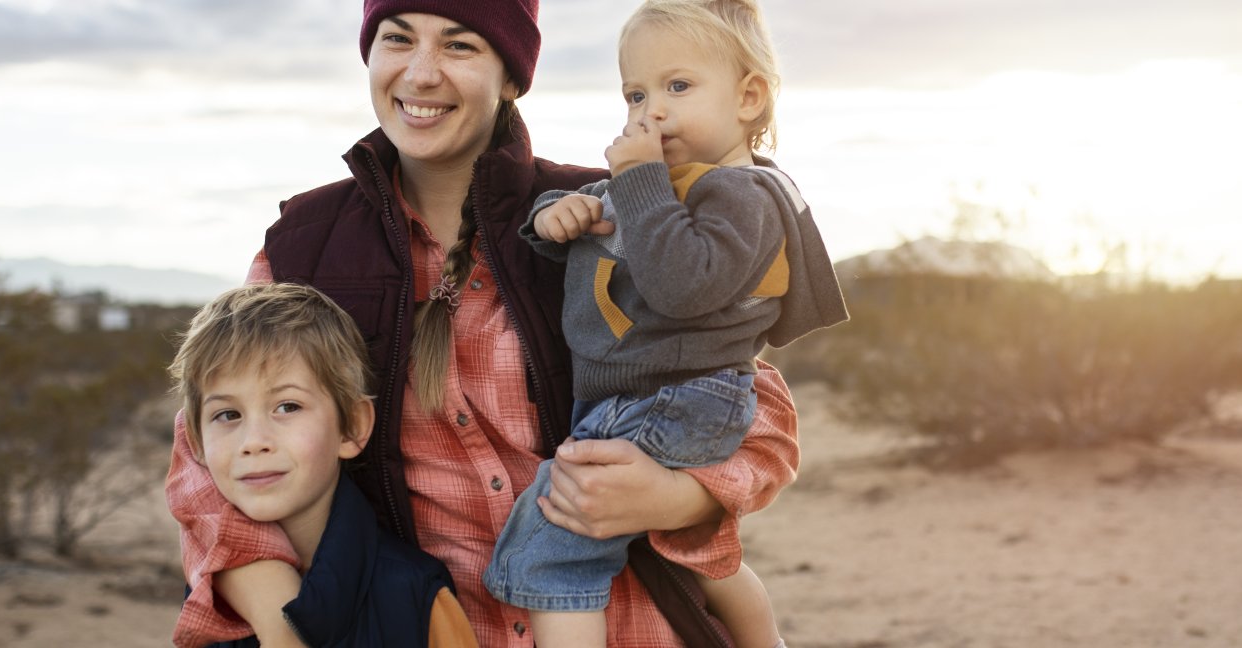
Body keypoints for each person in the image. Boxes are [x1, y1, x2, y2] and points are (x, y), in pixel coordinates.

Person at [164, 1, 805, 646]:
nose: (419, 74)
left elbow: (755, 410)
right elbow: (204, 462)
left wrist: (674, 499)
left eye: (459, 46)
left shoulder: (602, 214)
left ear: (511, 75)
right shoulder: (305, 250)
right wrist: (286, 627)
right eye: (397, 39)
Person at [482, 0, 845, 646]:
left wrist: (639, 177)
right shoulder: (673, 185)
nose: (650, 110)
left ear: (749, 98)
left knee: (554, 549)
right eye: (635, 93)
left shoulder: (742, 195)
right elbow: (606, 212)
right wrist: (554, 217)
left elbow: (683, 285)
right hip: (661, 397)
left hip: (670, 396)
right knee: (693, 549)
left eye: (678, 86)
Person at [171, 283, 478, 648]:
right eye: (227, 414)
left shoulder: (415, 595)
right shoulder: (212, 589)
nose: (253, 441)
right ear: (196, 442)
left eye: (287, 407)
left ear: (351, 427)